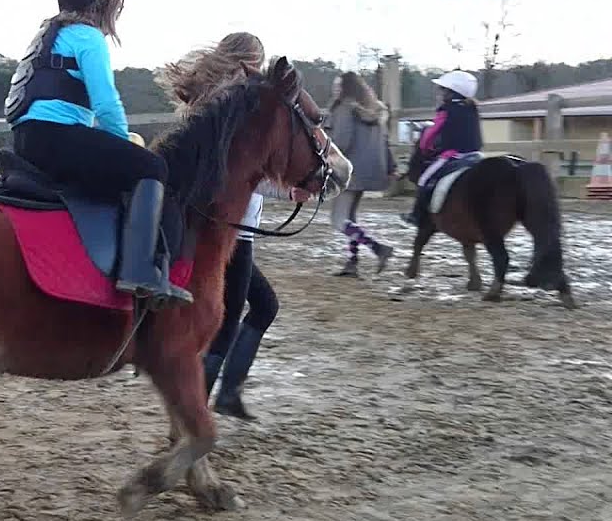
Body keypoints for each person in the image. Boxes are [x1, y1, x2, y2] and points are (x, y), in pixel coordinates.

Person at [4, 0, 190, 309]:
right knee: (153, 168)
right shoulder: (89, 39)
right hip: (58, 139)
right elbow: (106, 105)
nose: (120, 7)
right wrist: (126, 143)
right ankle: (139, 270)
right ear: (104, 0)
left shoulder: (50, 35)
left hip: (28, 139)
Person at [203, 181, 310, 420]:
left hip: (235, 229)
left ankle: (228, 395)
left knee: (264, 306)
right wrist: (287, 191)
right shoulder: (238, 142)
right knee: (227, 320)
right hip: (232, 231)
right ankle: (193, 415)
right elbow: (248, 170)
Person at [326, 72, 396, 276]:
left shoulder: (343, 109)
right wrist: (390, 166)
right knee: (350, 218)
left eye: (339, 86)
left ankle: (379, 249)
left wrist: (325, 156)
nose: (335, 89)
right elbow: (384, 143)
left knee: (338, 220)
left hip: (347, 172)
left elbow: (342, 143)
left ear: (347, 89)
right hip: (367, 172)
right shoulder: (375, 112)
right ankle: (352, 262)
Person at [402, 70, 482, 228]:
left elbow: (430, 135)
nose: (439, 93)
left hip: (453, 155)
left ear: (451, 93)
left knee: (425, 179)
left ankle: (416, 215)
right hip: (476, 154)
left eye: (442, 90)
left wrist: (425, 148)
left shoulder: (446, 110)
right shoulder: (472, 108)